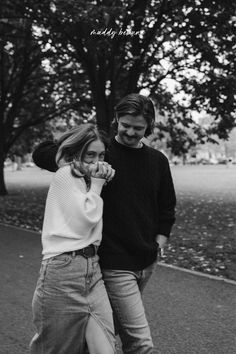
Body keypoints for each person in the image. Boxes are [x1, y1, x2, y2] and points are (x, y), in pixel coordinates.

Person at [33, 94, 176, 353]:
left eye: (138, 128)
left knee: (104, 335)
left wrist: (159, 242)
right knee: (140, 343)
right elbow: (41, 153)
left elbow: (167, 208)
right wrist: (87, 166)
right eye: (125, 125)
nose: (131, 132)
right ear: (116, 120)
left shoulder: (158, 160)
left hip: (146, 261)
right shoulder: (101, 152)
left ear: (150, 126)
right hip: (114, 263)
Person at [30, 124, 116, 354]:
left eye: (101, 155)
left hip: (92, 270)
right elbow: (85, 218)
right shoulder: (66, 175)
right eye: (90, 155)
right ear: (76, 153)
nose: (96, 161)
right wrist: (98, 183)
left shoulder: (84, 177)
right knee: (56, 349)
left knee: (105, 350)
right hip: (62, 272)